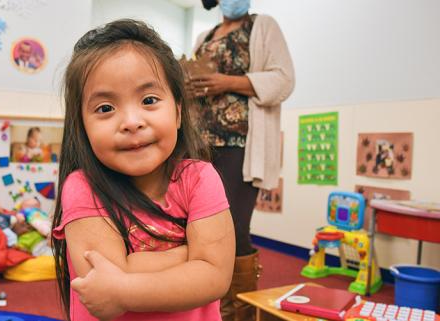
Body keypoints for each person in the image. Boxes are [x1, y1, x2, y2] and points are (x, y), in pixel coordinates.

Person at [51, 19, 235, 321]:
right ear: (81, 127)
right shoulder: (82, 186)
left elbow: (216, 278)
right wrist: (192, 259)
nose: (131, 121)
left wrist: (124, 283)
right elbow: (104, 280)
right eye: (105, 108)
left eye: (149, 100)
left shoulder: (199, 178)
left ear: (177, 112)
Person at [189, 0, 295, 320]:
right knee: (197, 227)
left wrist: (228, 82)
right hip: (200, 145)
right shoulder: (204, 37)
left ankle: (238, 312)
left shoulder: (263, 27)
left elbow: (283, 80)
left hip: (241, 145)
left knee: (233, 227)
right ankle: (205, 306)